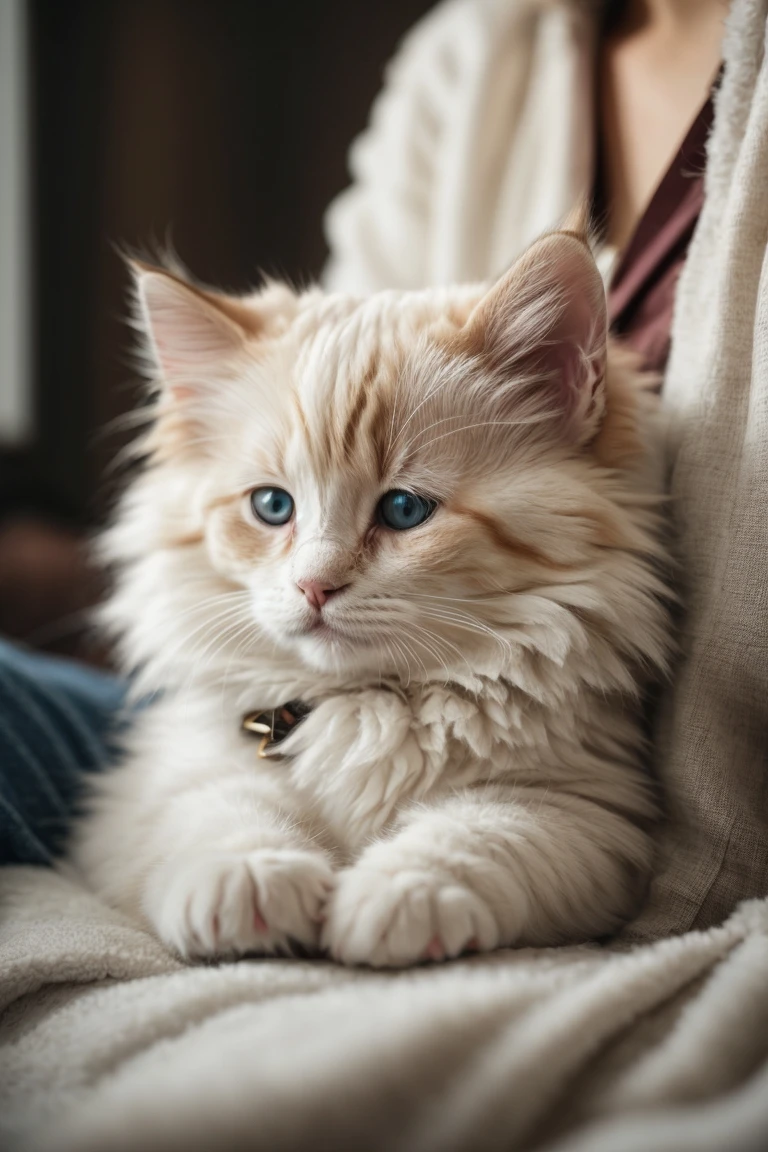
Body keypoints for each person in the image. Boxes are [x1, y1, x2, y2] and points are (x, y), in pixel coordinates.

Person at [2, 0, 766, 948]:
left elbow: (574, 820)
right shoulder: (477, 46)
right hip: (256, 707)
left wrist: (457, 867)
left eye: (404, 508)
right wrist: (225, 848)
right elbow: (201, 771)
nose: (314, 577)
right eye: (271, 506)